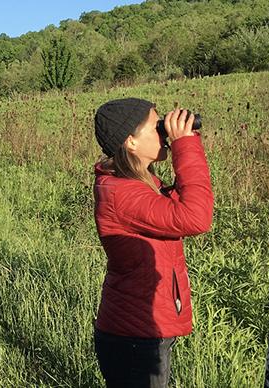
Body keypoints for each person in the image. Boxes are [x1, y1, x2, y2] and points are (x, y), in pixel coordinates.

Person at [92, 98, 214, 387]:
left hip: (140, 327)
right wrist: (185, 145)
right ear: (130, 142)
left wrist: (184, 142)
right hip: (135, 336)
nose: (164, 132)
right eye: (156, 126)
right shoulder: (121, 192)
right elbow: (196, 217)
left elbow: (177, 207)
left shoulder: (136, 182)